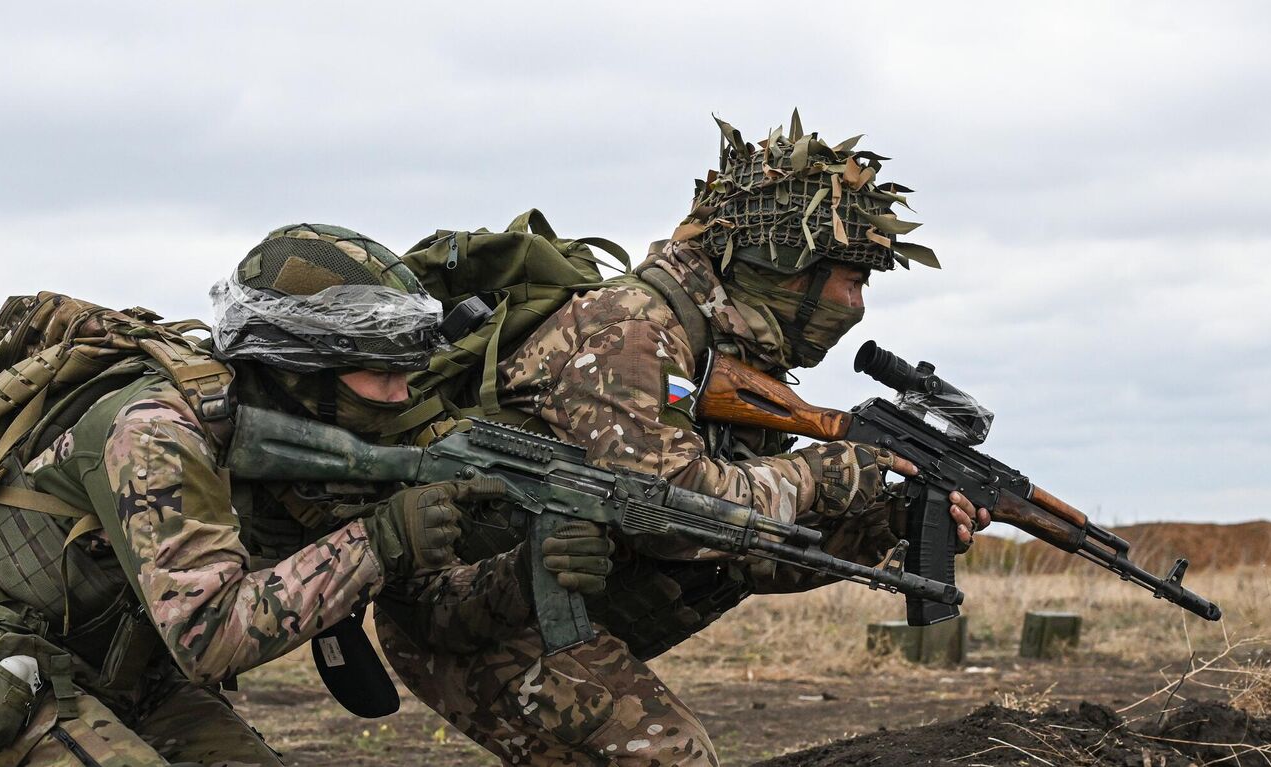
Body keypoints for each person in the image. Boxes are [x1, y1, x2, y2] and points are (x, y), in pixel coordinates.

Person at [374, 114, 992, 766]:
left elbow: (748, 555)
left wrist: (889, 520)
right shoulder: (633, 328)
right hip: (463, 606)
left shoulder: (732, 361)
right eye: (853, 278)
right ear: (790, 268)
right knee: (669, 754)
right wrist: (818, 475)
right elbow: (667, 510)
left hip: (548, 597)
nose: (858, 304)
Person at [0, 224, 504, 766]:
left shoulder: (283, 431)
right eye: (382, 372)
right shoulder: (156, 431)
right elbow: (209, 639)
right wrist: (380, 541)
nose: (402, 394)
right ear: (299, 367)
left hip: (134, 671)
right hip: (7, 676)